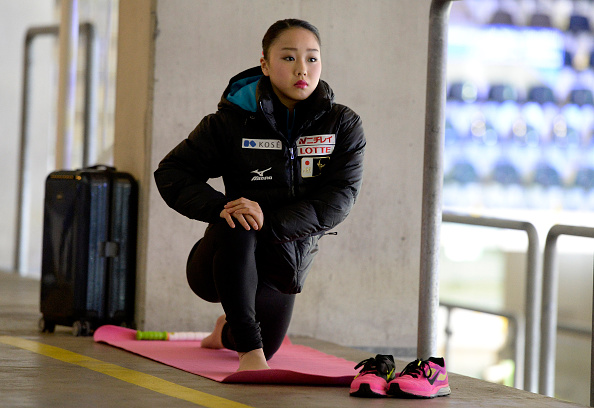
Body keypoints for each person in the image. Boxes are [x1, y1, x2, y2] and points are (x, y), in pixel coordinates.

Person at [154, 18, 365, 372]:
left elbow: (340, 197)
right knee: (240, 220)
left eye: (312, 58)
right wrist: (221, 207)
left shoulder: (342, 125)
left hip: (282, 259)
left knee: (272, 344)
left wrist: (271, 220)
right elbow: (172, 173)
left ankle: (228, 332)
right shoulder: (229, 122)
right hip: (221, 258)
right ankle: (249, 355)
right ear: (265, 64)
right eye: (288, 58)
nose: (302, 69)